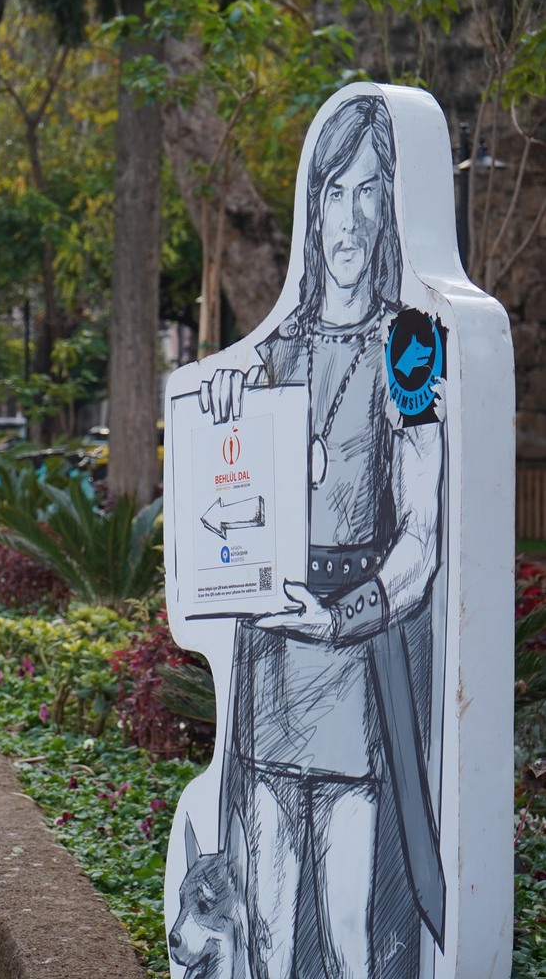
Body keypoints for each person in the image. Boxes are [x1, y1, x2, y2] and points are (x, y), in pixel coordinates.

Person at [202, 93, 444, 976]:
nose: (349, 217)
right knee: (268, 935)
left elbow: (422, 541)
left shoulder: (412, 345)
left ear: (391, 207)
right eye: (334, 191)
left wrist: (344, 618)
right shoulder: (275, 351)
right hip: (270, 659)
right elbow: (233, 497)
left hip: (350, 661)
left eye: (369, 192)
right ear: (314, 206)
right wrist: (221, 417)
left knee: (344, 941)